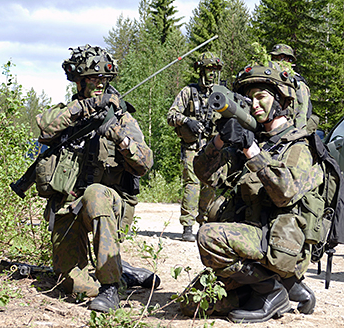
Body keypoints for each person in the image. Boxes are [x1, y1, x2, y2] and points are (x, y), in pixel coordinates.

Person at [187, 61, 319, 323]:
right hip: (247, 247)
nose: (254, 104)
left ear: (281, 100)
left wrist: (253, 152)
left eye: (261, 97)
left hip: (275, 245)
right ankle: (285, 288)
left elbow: (285, 192)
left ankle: (271, 290)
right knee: (193, 303)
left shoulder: (298, 146)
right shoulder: (248, 140)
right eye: (249, 99)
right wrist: (219, 141)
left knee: (209, 237)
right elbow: (202, 173)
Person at [35, 44, 159, 313]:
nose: (100, 85)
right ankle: (121, 272)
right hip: (70, 208)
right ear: (79, 82)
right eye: (93, 79)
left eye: (104, 79)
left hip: (108, 206)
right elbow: (45, 128)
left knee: (95, 193)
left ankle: (111, 287)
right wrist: (85, 109)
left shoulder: (122, 118)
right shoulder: (68, 113)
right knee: (72, 285)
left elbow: (145, 163)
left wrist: (120, 137)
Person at [167, 52, 222, 241]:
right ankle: (188, 226)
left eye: (214, 70)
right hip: (192, 146)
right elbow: (171, 115)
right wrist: (187, 121)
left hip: (213, 147)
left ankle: (205, 223)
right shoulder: (188, 92)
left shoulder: (220, 94)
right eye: (208, 69)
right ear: (201, 70)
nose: (211, 74)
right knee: (192, 183)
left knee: (210, 184)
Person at [269, 43, 316, 133]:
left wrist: (297, 133)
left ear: (289, 60)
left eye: (280, 58)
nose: (275, 62)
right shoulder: (272, 79)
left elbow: (302, 112)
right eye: (274, 58)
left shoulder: (297, 82)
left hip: (289, 130)